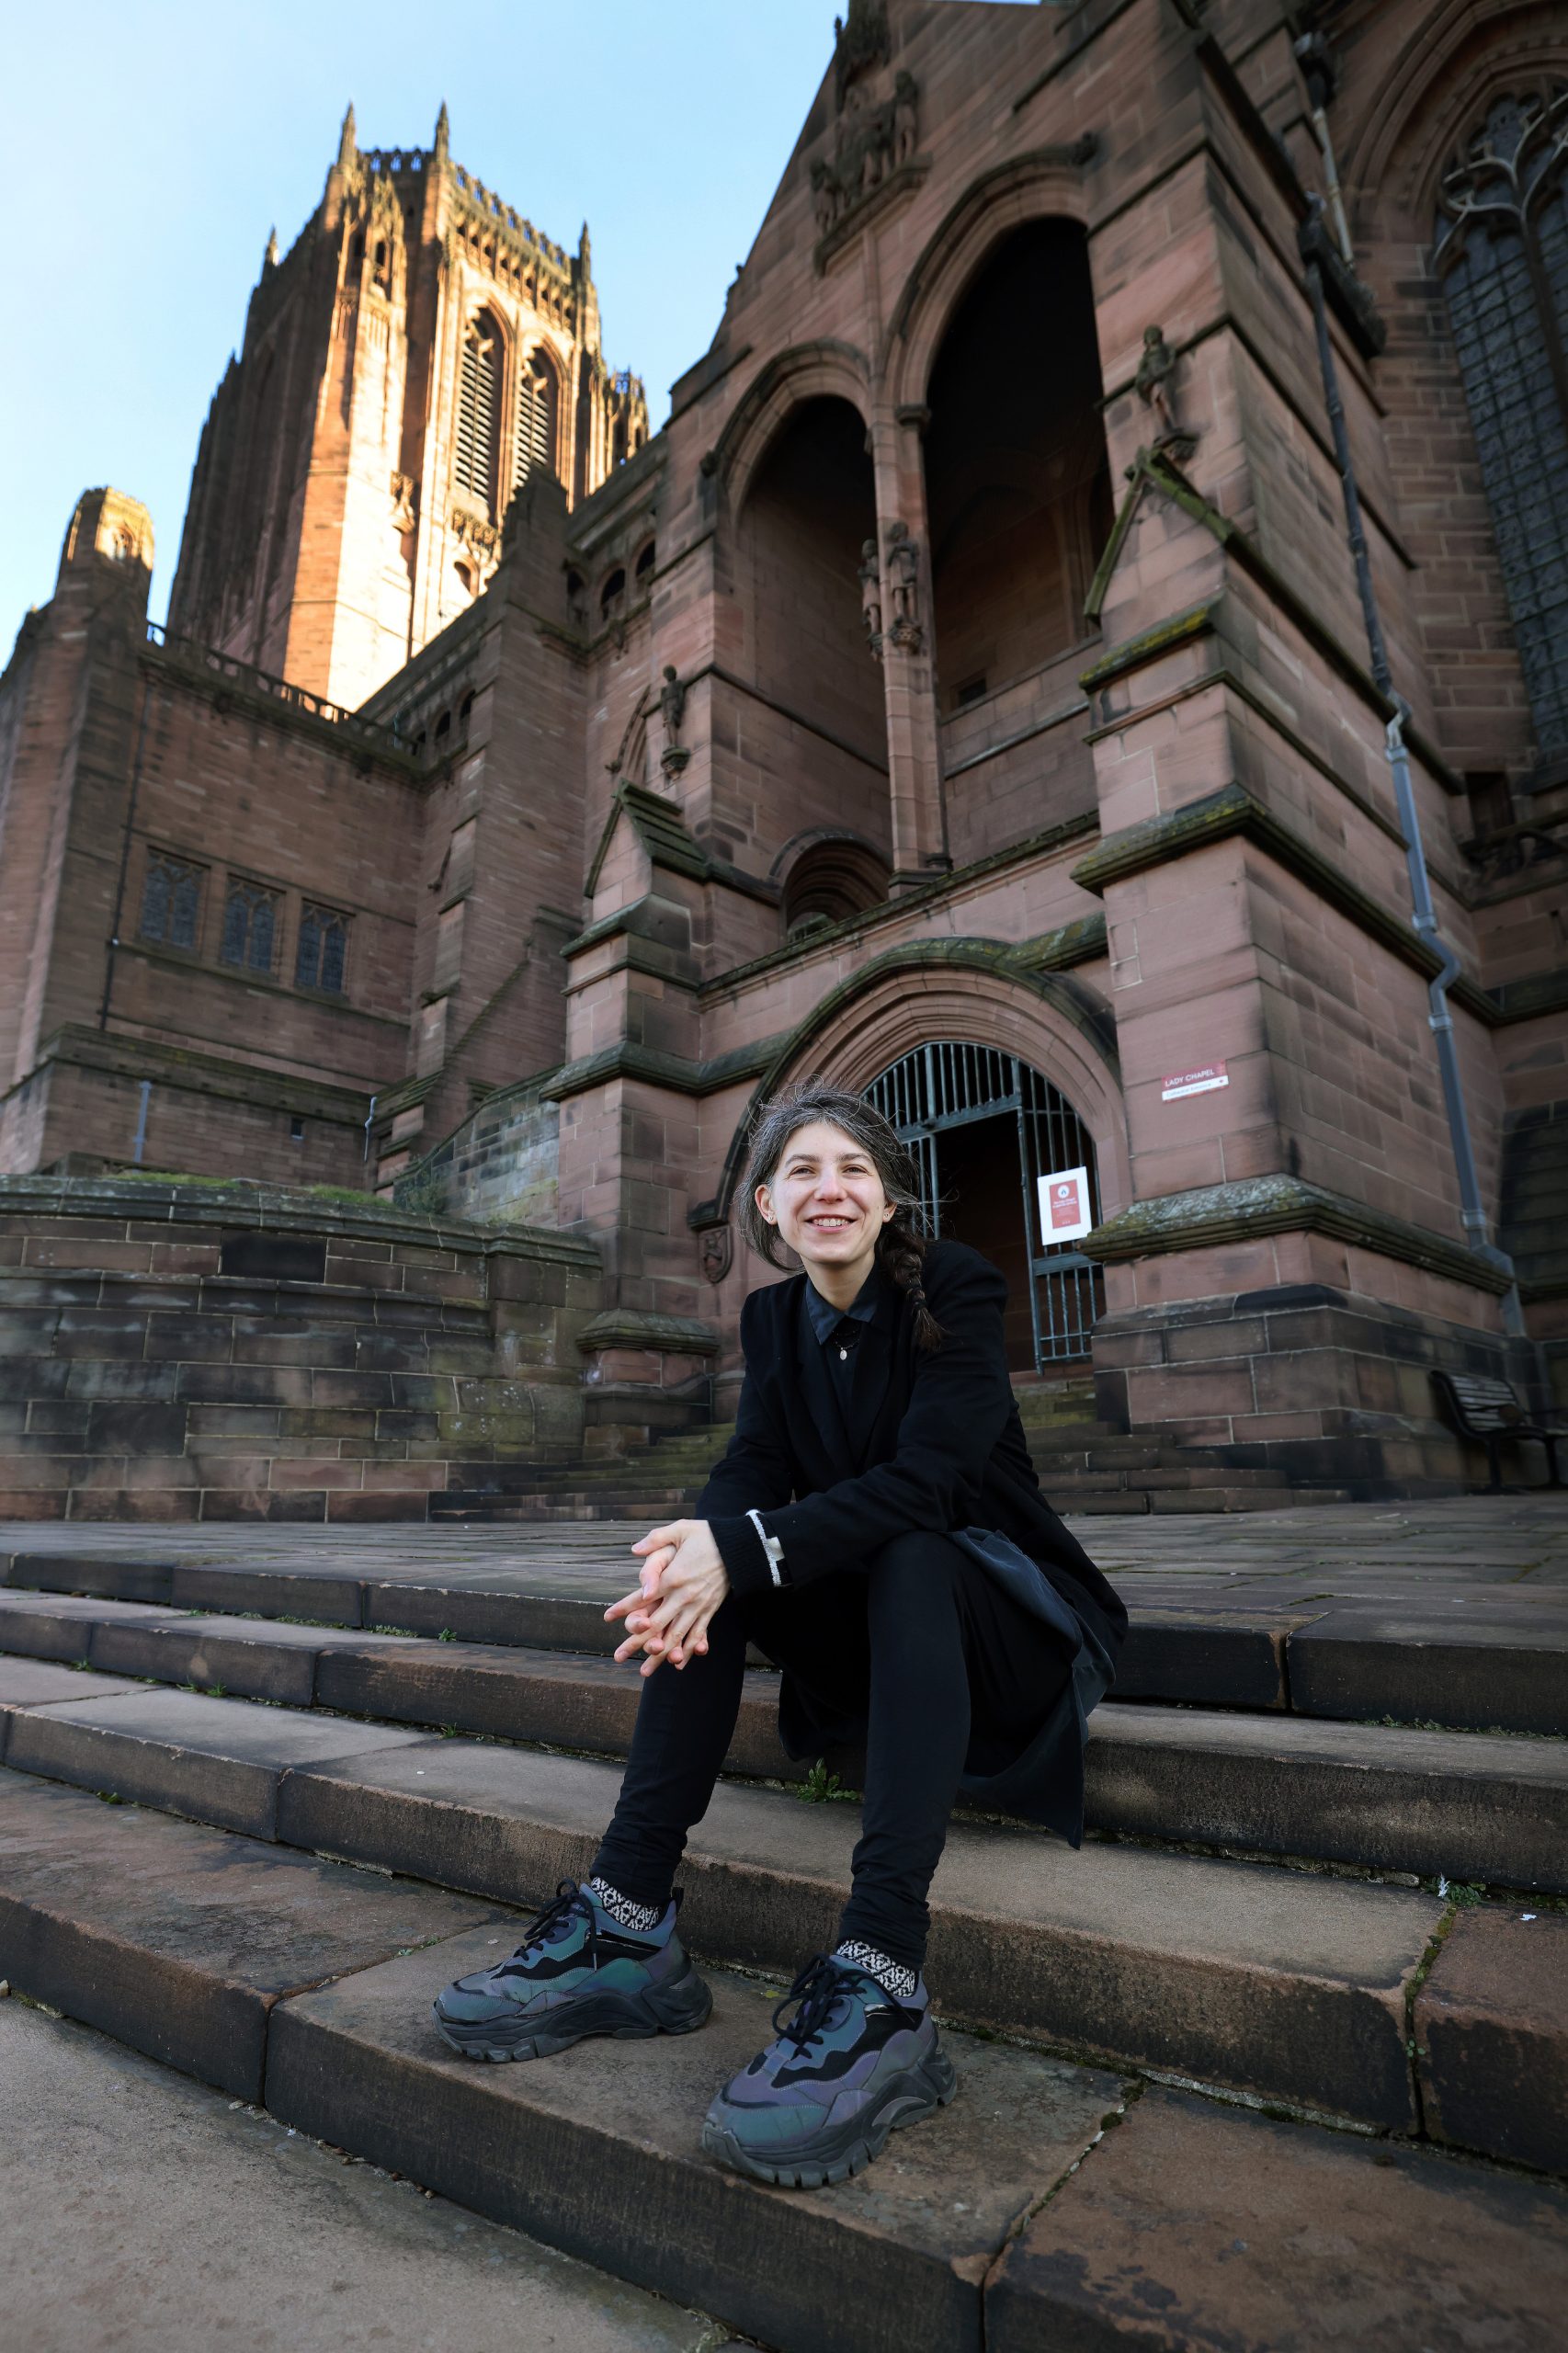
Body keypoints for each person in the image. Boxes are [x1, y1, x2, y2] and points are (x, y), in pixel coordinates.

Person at [433, 1083, 1127, 2190]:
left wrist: (745, 1546)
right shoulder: (769, 1320)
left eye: (851, 1169)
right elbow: (753, 1468)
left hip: (1008, 1635)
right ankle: (625, 1921)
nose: (828, 1189)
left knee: (894, 1545)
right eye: (801, 1170)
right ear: (765, 1203)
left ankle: (884, 1972)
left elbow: (931, 1483)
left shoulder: (953, 1284)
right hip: (883, 1641)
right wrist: (690, 1559)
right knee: (717, 1568)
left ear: (889, 1199)